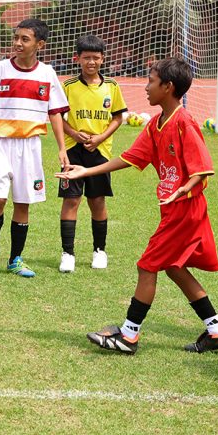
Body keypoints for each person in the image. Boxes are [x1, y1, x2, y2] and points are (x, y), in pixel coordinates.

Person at [60, 58, 218, 354]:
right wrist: (85, 171)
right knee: (174, 269)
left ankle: (128, 335)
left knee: (147, 266)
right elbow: (130, 157)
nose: (145, 87)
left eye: (151, 81)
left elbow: (203, 168)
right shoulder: (156, 124)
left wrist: (183, 189)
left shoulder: (184, 122)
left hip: (185, 211)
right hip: (174, 209)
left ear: (168, 87)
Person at [0, 18, 69, 278]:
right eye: (16, 37)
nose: (17, 43)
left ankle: (15, 259)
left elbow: (55, 114)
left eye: (25, 39)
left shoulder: (47, 74)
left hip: (30, 146)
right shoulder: (0, 69)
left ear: (40, 44)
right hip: (0, 142)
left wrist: (62, 148)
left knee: (23, 203)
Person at [58, 34, 127, 272]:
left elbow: (118, 117)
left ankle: (100, 250)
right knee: (71, 200)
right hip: (72, 151)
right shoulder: (68, 86)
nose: (91, 62)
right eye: (86, 58)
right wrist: (75, 134)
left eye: (96, 58)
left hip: (100, 152)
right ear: (77, 59)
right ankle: (67, 253)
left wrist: (100, 138)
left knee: (97, 201)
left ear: (102, 59)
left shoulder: (112, 86)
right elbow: (57, 118)